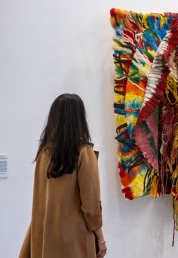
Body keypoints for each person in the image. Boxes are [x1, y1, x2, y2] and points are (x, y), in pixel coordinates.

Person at [19, 94, 107, 258]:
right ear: (79, 119)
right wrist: (100, 238)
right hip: (75, 239)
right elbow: (91, 205)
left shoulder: (44, 152)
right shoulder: (83, 153)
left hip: (43, 236)